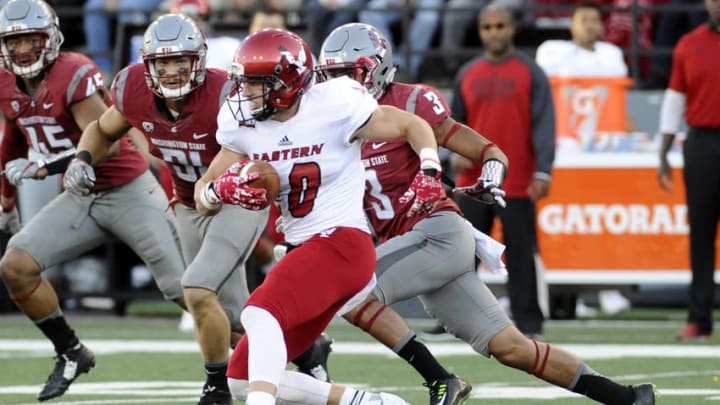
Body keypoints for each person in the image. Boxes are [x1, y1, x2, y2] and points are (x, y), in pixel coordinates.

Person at [317, 21, 657, 405]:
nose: (339, 84)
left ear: (377, 68)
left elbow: (488, 150)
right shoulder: (330, 122)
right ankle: (627, 398)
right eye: (332, 75)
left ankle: (439, 379)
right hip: (414, 247)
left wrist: (489, 177)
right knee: (511, 348)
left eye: (349, 73)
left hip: (437, 233)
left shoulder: (410, 103)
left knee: (349, 289)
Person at [69, 14, 333, 404]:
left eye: (181, 61)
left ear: (200, 60)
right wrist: (82, 158)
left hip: (236, 198)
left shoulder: (229, 94)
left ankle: (216, 384)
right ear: (148, 65)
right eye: (162, 63)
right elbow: (103, 129)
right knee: (227, 313)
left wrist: (258, 179)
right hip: (188, 200)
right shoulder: (133, 91)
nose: (172, 71)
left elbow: (281, 138)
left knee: (196, 289)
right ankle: (307, 350)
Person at [199, 27, 445, 405]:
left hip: (343, 243)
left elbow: (412, 124)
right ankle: (372, 404)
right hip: (303, 253)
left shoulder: (335, 102)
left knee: (260, 314)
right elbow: (203, 192)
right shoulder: (243, 122)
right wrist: (219, 192)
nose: (243, 92)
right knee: (242, 379)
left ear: (286, 81)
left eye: (255, 83)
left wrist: (429, 170)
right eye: (243, 82)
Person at [0, 0, 186, 401]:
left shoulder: (72, 73)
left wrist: (42, 169)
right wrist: (6, 200)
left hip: (126, 189)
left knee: (185, 290)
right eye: (14, 42)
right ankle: (71, 352)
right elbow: (14, 135)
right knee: (16, 266)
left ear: (50, 38)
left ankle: (294, 350)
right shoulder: (4, 81)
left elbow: (106, 144)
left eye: (31, 39)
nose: (22, 51)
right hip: (80, 198)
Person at [451, 4, 552, 338]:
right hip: (472, 183)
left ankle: (529, 322)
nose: (494, 32)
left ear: (512, 29)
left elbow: (544, 125)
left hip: (517, 181)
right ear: (481, 32)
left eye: (500, 26)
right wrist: (452, 155)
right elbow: (452, 125)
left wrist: (543, 171)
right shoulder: (467, 73)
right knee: (461, 256)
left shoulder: (531, 72)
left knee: (521, 255)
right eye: (488, 27)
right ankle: (454, 319)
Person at [535, 1, 632, 316]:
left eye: (594, 20)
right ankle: (568, 293)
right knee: (563, 223)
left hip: (602, 152)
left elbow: (612, 92)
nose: (590, 26)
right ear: (572, 24)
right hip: (564, 151)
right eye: (583, 20)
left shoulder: (611, 55)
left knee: (602, 220)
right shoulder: (553, 50)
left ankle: (607, 288)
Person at [658, 0, 720, 341]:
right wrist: (663, 151)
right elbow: (675, 98)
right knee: (701, 234)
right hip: (702, 144)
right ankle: (700, 319)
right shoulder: (689, 43)